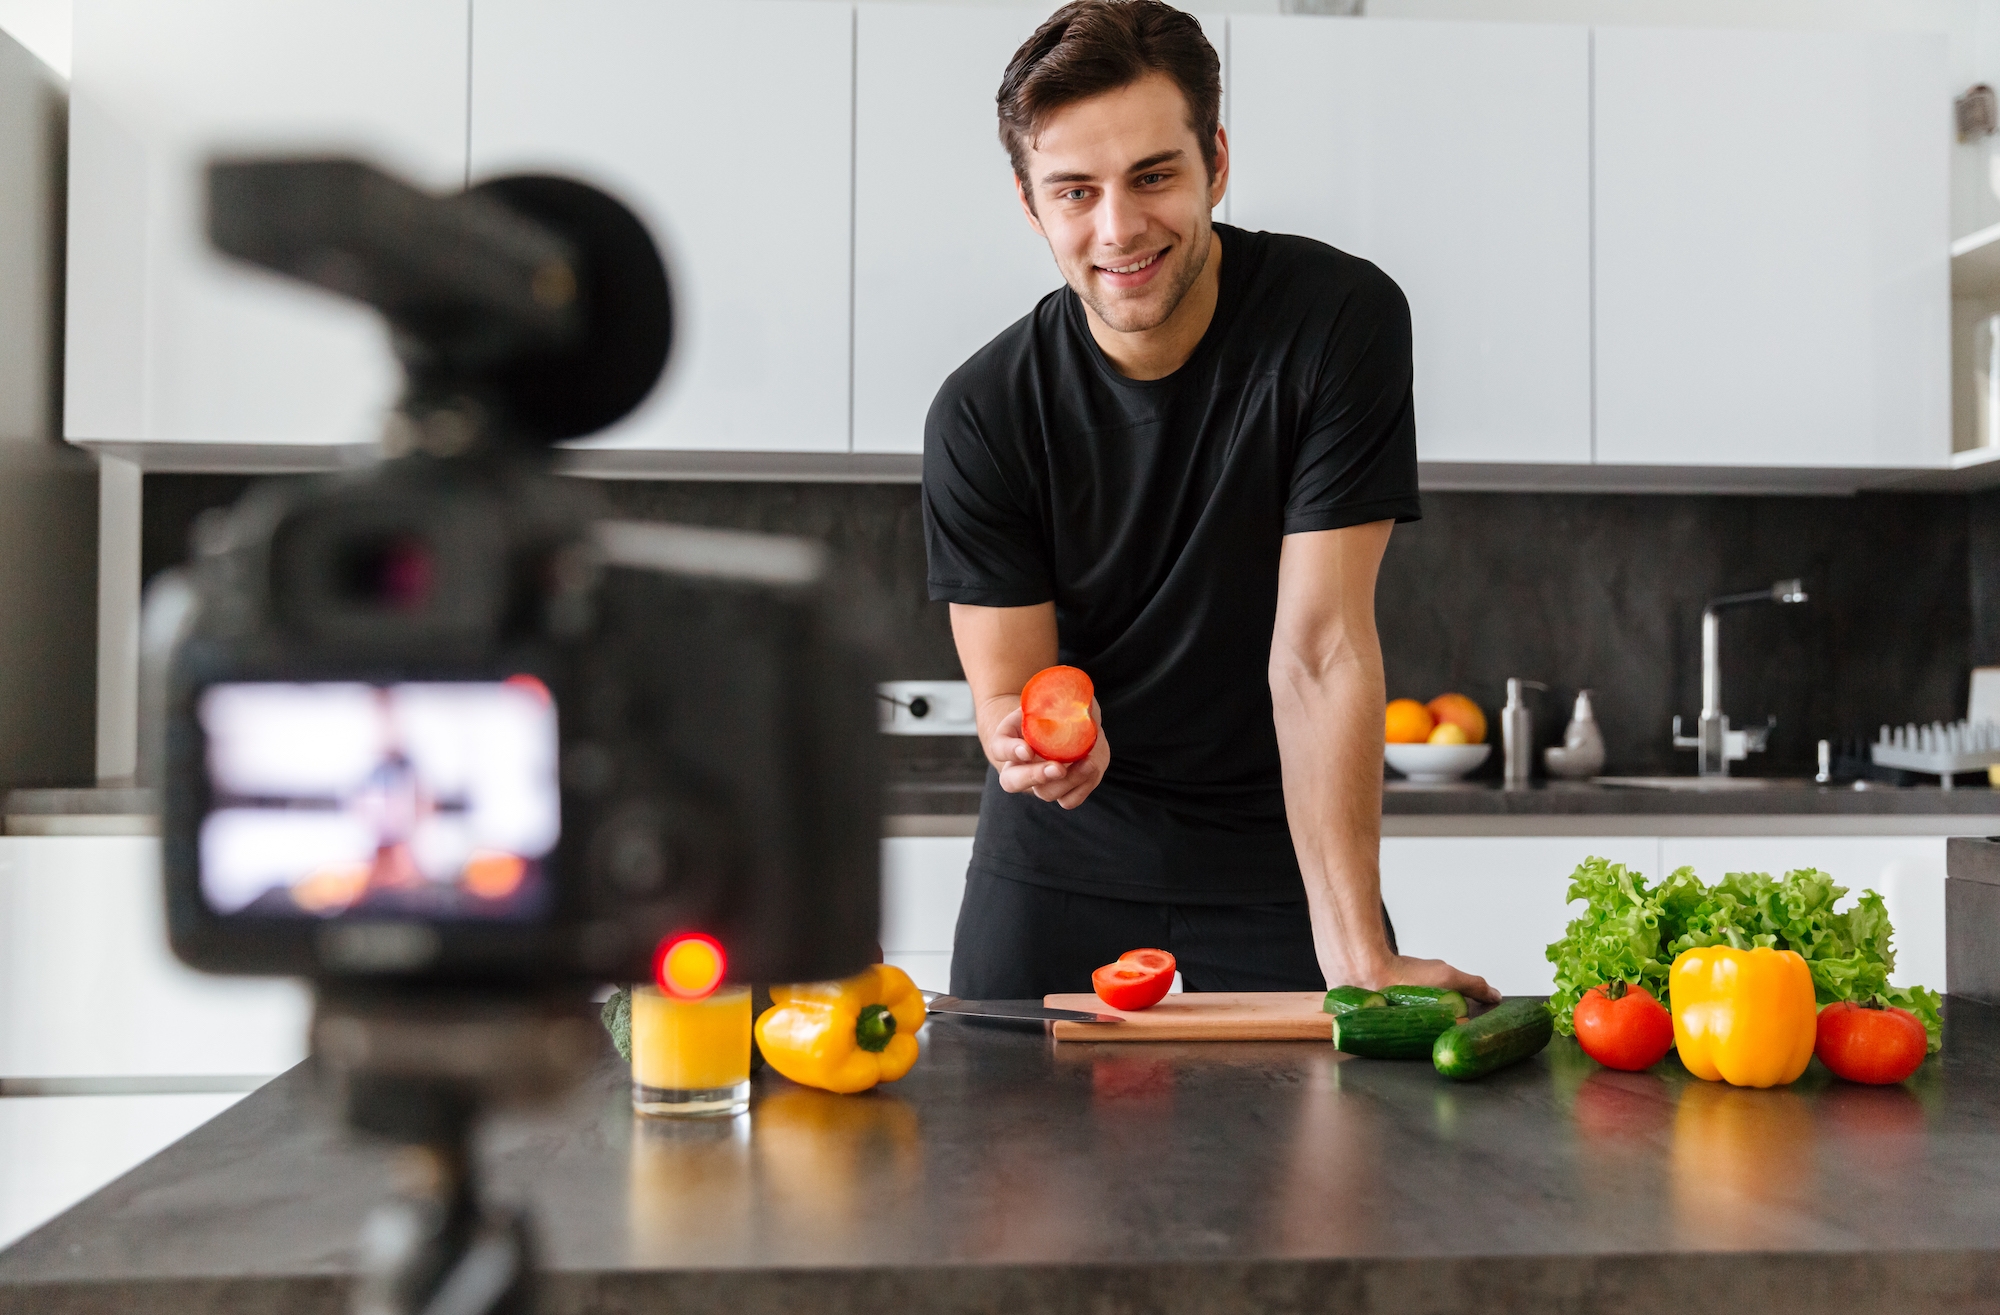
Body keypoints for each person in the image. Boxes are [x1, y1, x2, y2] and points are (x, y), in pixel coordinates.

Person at [923, 0, 1496, 1003]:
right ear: (1029, 203)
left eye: (1153, 176)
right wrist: (1036, 744)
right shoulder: (982, 412)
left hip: (1280, 867)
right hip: (1057, 870)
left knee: (1333, 1154)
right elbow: (1009, 691)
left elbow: (1318, 652)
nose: (1117, 228)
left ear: (1215, 162)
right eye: (1073, 191)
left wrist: (1357, 954)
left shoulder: (1335, 325)